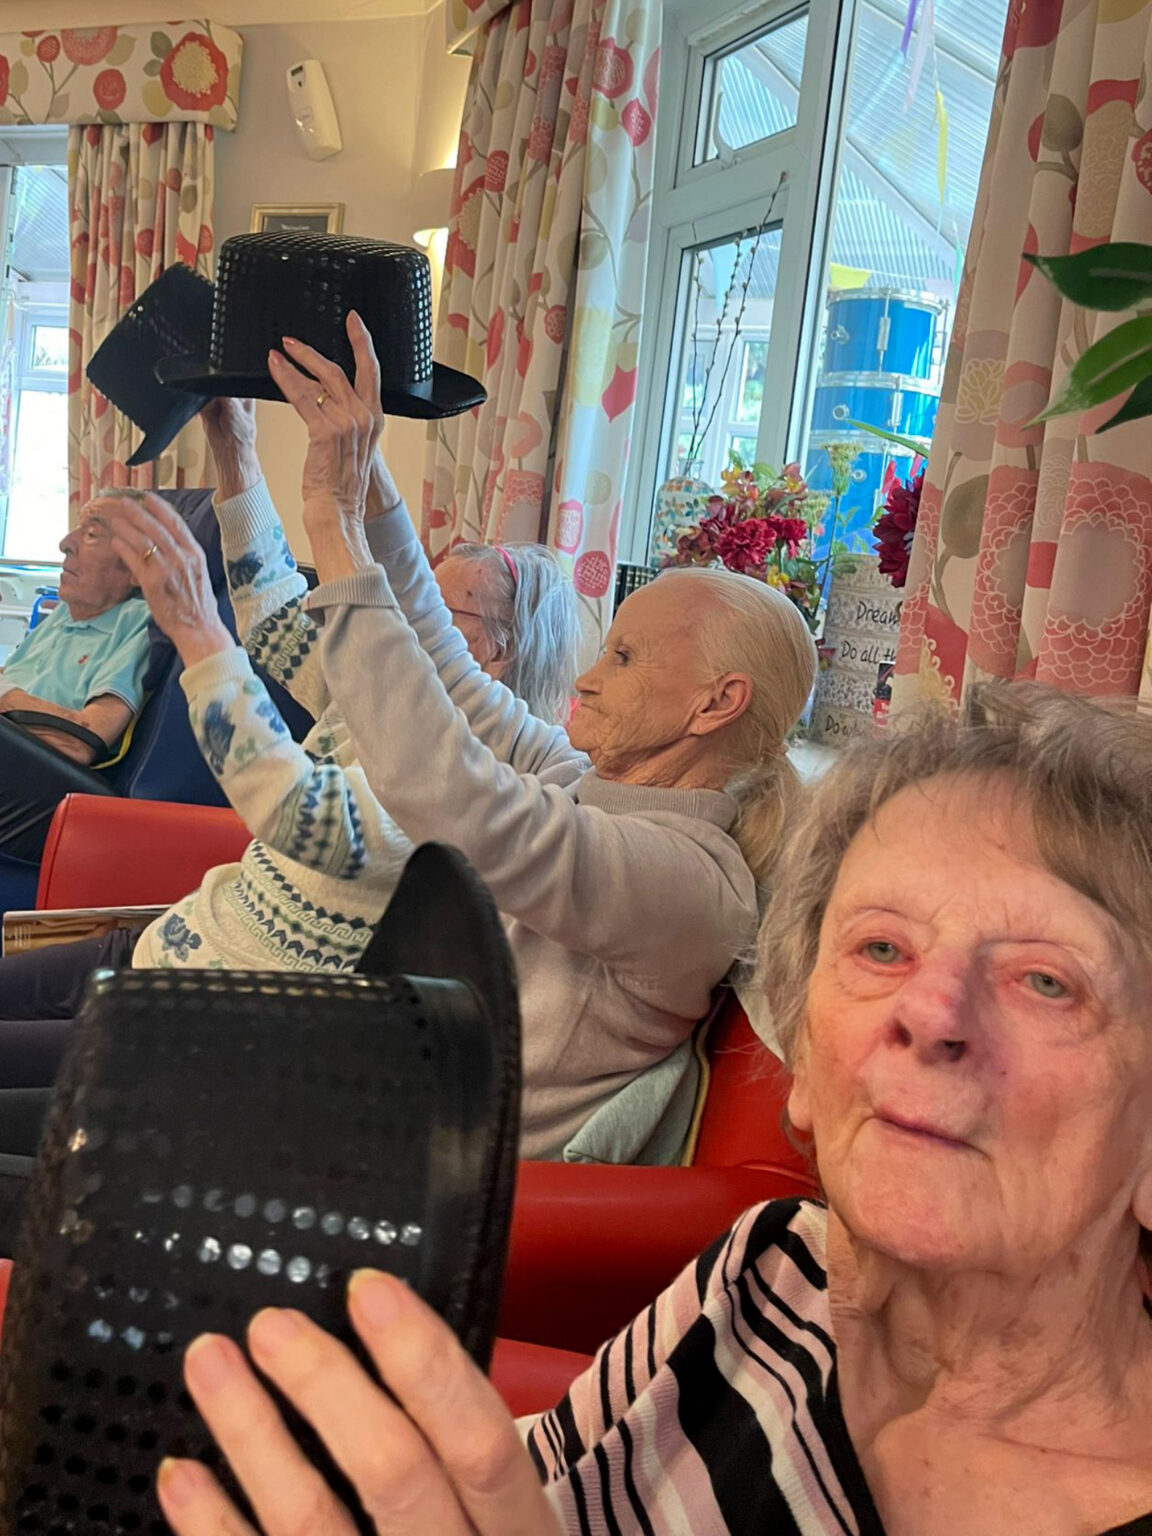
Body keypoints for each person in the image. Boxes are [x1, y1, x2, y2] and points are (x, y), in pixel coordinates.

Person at [151, 683, 1152, 1536]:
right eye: (881, 949)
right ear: (806, 1066)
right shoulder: (773, 1274)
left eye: (1047, 981)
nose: (929, 1011)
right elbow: (548, 1479)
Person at [105, 313, 816, 1163]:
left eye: (624, 658)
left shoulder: (690, 881)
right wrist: (364, 472)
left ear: (715, 705)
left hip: (368, 1168)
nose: (587, 680)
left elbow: (451, 796)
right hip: (324, 1103)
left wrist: (331, 520)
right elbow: (448, 664)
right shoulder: (584, 780)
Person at [0, 397, 582, 1150]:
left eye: (440, 611)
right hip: (162, 950)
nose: (409, 619)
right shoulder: (381, 694)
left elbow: (303, 812)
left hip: (203, 1021)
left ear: (498, 651)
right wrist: (235, 446)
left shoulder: (479, 780)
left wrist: (194, 624)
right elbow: (273, 616)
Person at [0, 502, 151, 861]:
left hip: (47, 785)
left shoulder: (139, 624)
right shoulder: (67, 612)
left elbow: (83, 738)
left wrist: (5, 697)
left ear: (135, 568)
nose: (65, 543)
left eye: (92, 533)